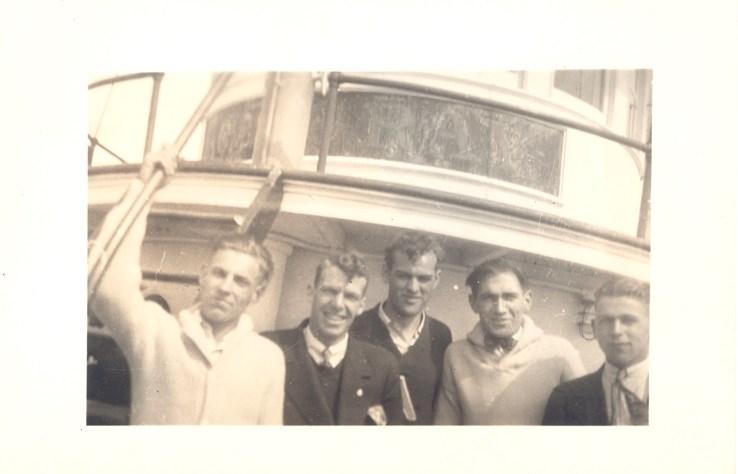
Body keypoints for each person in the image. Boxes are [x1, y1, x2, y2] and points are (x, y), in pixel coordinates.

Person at [88, 146, 285, 425]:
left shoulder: (269, 358)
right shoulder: (156, 332)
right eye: (219, 273)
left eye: (240, 281)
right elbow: (106, 283)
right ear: (202, 276)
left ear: (257, 292)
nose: (226, 287)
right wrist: (143, 188)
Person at [434, 258, 586, 425]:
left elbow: (585, 423)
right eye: (488, 298)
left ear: (527, 300)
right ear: (473, 303)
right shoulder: (456, 354)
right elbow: (445, 427)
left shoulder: (560, 351)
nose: (500, 309)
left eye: (509, 297)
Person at [263, 252, 405, 425]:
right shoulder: (268, 349)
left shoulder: (383, 367)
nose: (338, 304)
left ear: (361, 306)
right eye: (330, 291)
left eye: (350, 296)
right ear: (311, 293)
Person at [350, 231, 452, 424]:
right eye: (404, 276)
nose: (413, 288)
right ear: (386, 273)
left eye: (423, 278)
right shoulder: (355, 328)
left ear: (436, 279)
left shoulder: (442, 335)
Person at [542, 277, 649, 425]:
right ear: (594, 328)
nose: (616, 331)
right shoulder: (565, 399)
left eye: (628, 320)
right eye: (606, 321)